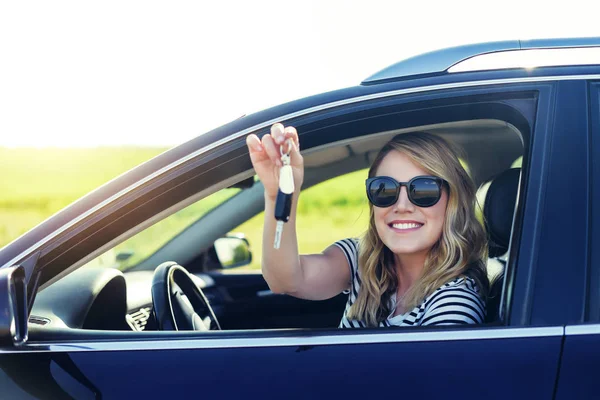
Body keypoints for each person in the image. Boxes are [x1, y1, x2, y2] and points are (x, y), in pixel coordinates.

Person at [246, 123, 488, 328]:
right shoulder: (362, 261)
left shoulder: (455, 303)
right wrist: (278, 196)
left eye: (424, 190)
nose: (402, 205)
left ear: (453, 201)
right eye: (384, 189)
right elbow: (285, 279)